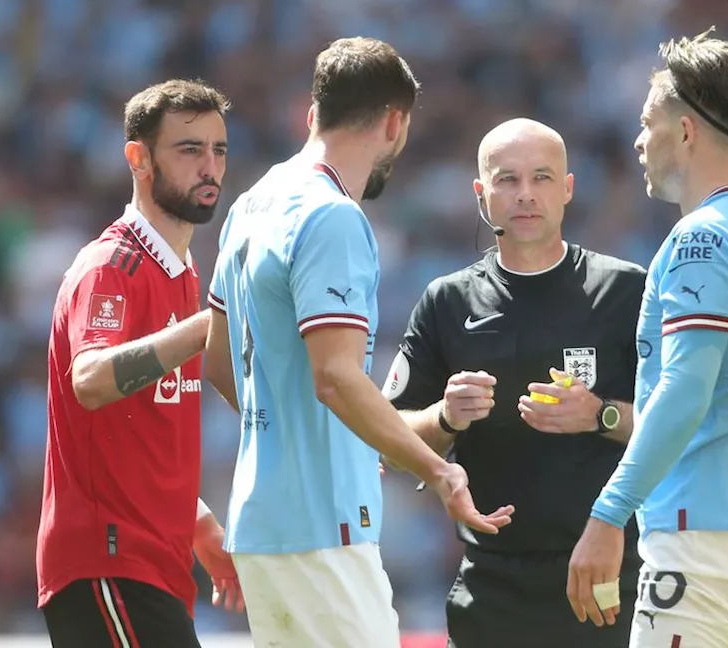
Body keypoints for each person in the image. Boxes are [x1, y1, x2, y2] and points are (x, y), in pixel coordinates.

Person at [202, 37, 514, 648]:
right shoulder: (332, 215)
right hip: (322, 526)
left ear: (312, 113)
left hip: (261, 522)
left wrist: (311, 433)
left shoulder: (250, 203)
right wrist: (438, 469)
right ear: (394, 123)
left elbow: (218, 362)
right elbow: (337, 377)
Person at [568, 30, 728, 648]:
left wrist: (608, 513)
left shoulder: (702, 239)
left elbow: (687, 390)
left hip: (705, 544)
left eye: (647, 120)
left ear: (685, 131)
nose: (638, 140)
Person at [382, 117, 647, 648]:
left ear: (568, 189)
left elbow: (681, 423)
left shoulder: (626, 292)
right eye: (507, 180)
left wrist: (601, 415)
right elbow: (388, 442)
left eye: (542, 178)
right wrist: (445, 417)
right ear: (481, 194)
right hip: (491, 584)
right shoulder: (447, 302)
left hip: (603, 572)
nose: (525, 195)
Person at [38, 79, 245, 648]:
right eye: (189, 149)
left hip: (152, 562)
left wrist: (196, 519)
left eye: (218, 150)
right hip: (108, 559)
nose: (210, 166)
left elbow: (142, 431)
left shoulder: (185, 276)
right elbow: (92, 380)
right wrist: (208, 325)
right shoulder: (113, 265)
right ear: (139, 157)